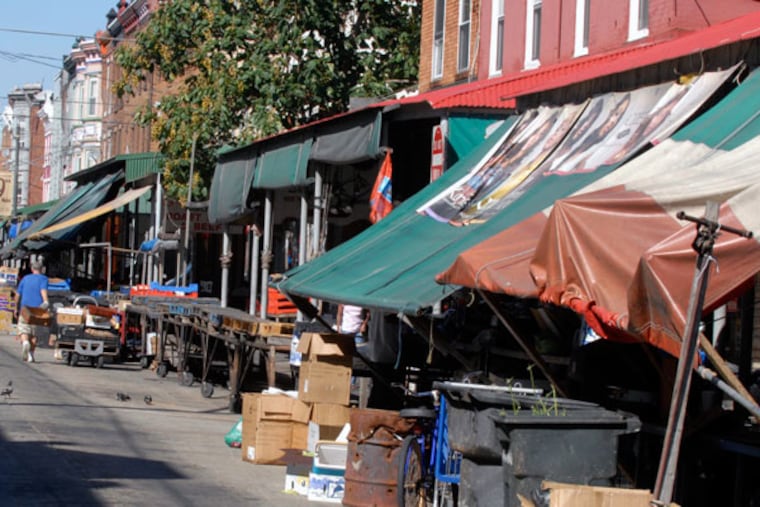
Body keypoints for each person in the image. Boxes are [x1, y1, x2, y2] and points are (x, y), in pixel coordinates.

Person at [14, 258, 49, 363]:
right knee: (34, 333)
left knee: (24, 329)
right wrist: (46, 301)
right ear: (42, 269)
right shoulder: (43, 279)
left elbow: (17, 295)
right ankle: (31, 355)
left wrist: (16, 308)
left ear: (32, 269)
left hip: (25, 309)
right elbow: (43, 290)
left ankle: (25, 342)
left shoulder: (25, 279)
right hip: (37, 310)